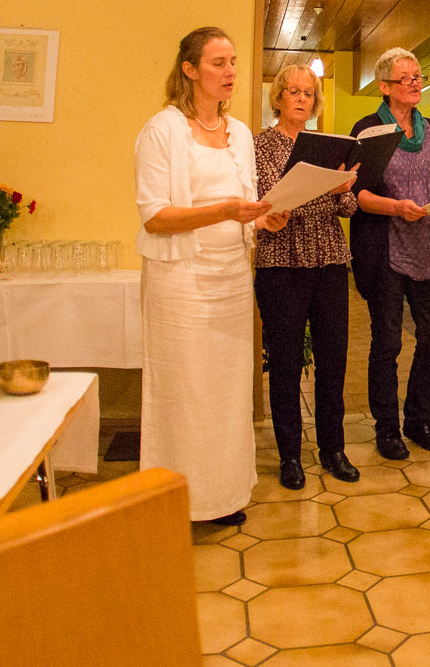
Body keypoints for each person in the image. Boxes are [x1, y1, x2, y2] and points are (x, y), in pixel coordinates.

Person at [135, 26, 288, 527]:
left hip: (231, 280)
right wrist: (224, 210)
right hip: (180, 280)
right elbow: (154, 216)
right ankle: (175, 500)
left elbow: (245, 207)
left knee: (225, 392)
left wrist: (264, 219)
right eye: (219, 63)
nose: (230, 72)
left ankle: (220, 495)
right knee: (184, 392)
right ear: (190, 69)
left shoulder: (239, 132)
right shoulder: (162, 130)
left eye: (233, 62)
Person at [254, 63, 360, 490]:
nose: (302, 98)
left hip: (329, 259)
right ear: (278, 96)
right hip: (281, 262)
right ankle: (290, 455)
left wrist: (341, 190)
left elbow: (348, 208)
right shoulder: (260, 144)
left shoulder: (329, 145)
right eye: (294, 91)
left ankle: (333, 449)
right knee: (285, 362)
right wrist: (319, 193)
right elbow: (267, 199)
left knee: (334, 359)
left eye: (309, 93)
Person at [350, 48, 430, 459]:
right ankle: (387, 428)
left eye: (418, 77)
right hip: (386, 251)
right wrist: (396, 207)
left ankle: (418, 419)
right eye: (406, 78)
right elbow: (357, 194)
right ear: (385, 87)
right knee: (388, 343)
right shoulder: (368, 130)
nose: (415, 83)